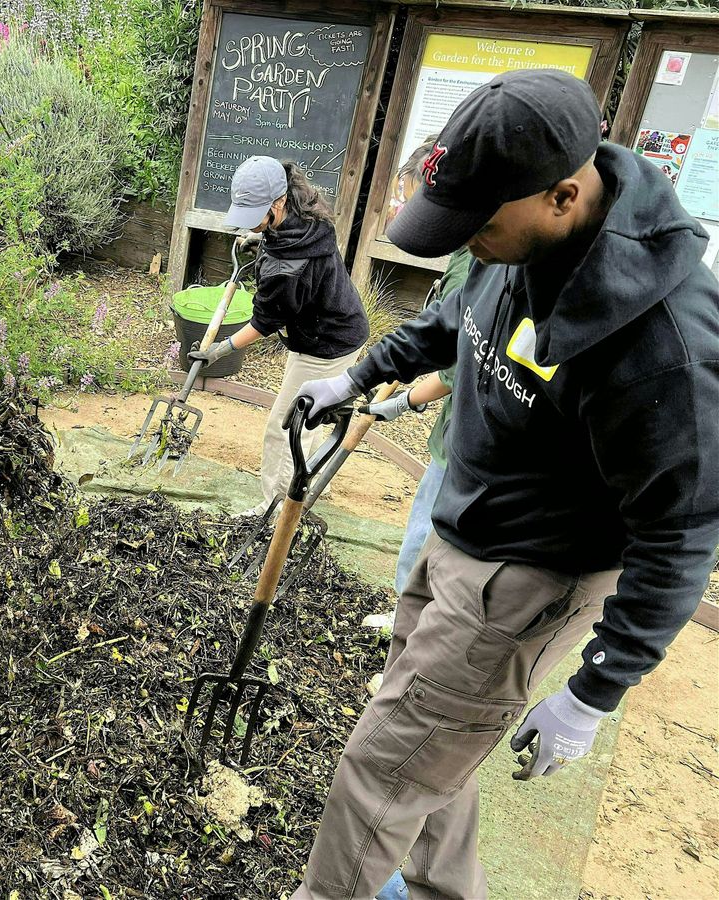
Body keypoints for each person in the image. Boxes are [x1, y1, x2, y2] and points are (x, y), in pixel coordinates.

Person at [287, 69, 719, 900]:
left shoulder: (666, 350)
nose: (464, 241)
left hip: (528, 580)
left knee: (383, 769)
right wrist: (358, 377)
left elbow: (684, 532)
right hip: (461, 532)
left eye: (477, 224)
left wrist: (595, 692)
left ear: (562, 196)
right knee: (431, 754)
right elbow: (461, 317)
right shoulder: (522, 239)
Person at [188, 155, 368, 515]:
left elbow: (263, 323)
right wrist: (260, 238)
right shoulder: (307, 214)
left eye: (255, 214)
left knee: (285, 428)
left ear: (278, 202)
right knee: (306, 418)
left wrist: (218, 351)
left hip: (326, 344)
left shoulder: (288, 271)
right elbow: (283, 243)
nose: (251, 222)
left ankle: (275, 512)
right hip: (330, 328)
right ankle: (295, 491)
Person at [364, 248, 472, 595]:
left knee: (425, 529)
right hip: (463, 431)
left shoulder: (475, 266)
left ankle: (405, 609)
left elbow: (457, 370)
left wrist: (405, 401)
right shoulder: (469, 255)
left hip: (465, 439)